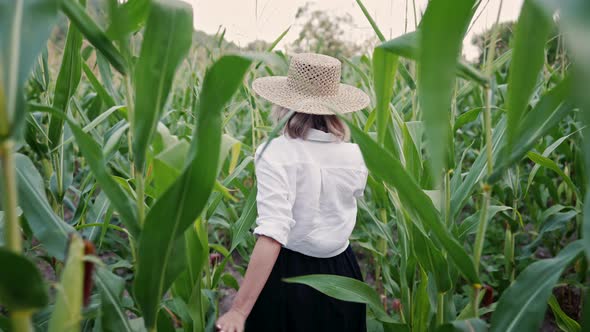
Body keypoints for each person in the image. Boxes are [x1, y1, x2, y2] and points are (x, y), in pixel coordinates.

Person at [215, 53, 371, 332]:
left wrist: (239, 310)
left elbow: (273, 234)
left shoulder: (274, 152)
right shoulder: (355, 155)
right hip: (345, 277)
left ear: (283, 103)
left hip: (289, 275)